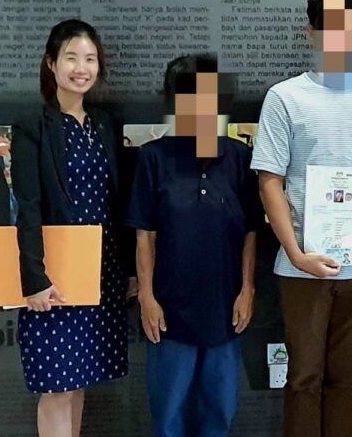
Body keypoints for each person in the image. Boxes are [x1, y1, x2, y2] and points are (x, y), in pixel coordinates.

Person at [252, 0, 352, 437]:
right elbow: (269, 181)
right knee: (302, 380)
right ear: (312, 33)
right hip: (302, 266)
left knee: (347, 380)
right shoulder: (284, 97)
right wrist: (296, 254)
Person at [11, 19, 132, 437]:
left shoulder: (103, 124)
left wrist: (129, 270)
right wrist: (35, 279)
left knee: (78, 384)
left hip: (101, 273)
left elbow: (117, 202)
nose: (82, 68)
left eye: (90, 59)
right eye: (71, 58)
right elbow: (27, 206)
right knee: (56, 387)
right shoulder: (33, 126)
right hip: (54, 278)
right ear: (51, 63)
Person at [127, 54, 258, 437]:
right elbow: (144, 234)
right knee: (168, 414)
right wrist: (147, 297)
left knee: (219, 411)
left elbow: (251, 230)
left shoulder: (239, 157)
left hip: (226, 308)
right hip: (170, 311)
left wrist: (248, 289)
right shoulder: (153, 157)